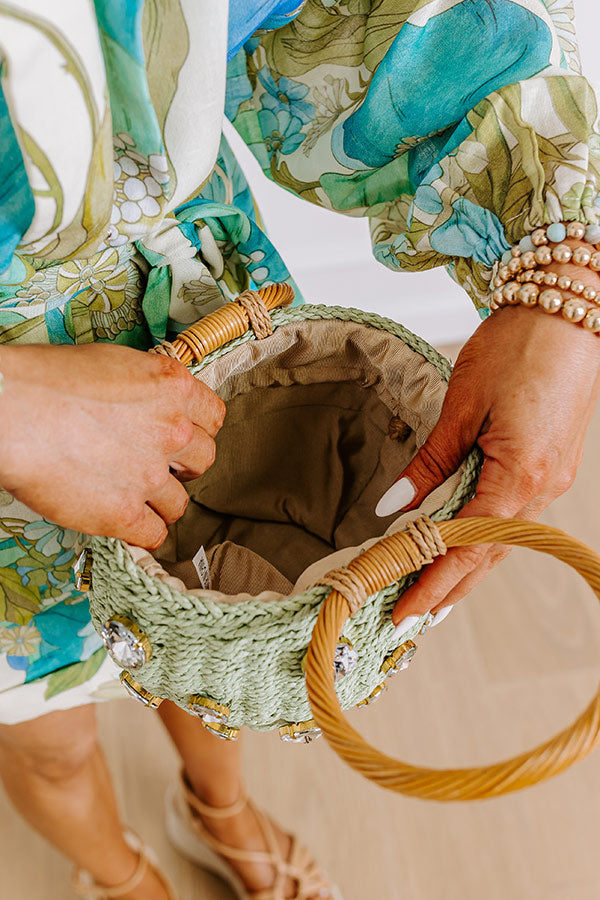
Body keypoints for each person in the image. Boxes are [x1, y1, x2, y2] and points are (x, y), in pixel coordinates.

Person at [0, 1, 599, 898]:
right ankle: (126, 883)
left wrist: (565, 281)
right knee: (49, 743)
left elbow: (350, 19)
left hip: (200, 309)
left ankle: (215, 807)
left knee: (216, 658)